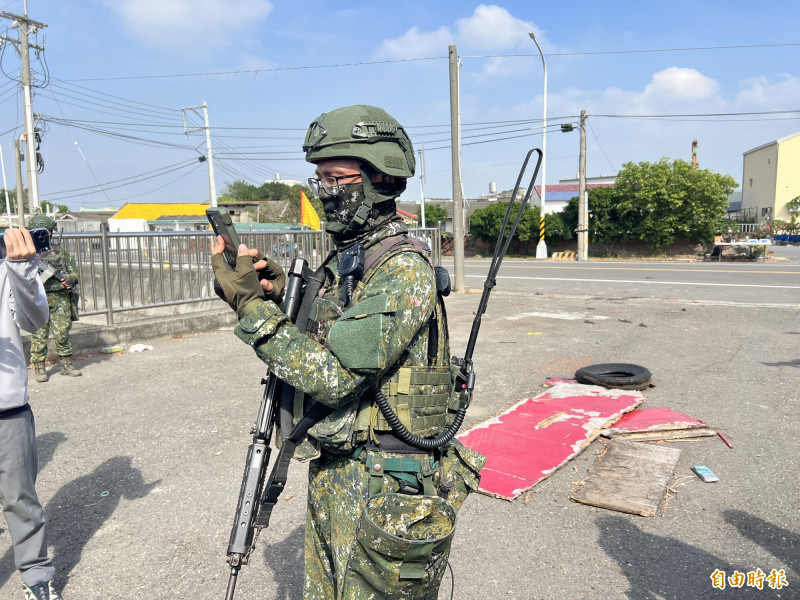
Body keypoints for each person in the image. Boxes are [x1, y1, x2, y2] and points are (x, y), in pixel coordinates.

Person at [212, 104, 485, 599]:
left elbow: (336, 377)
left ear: (380, 178)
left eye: (337, 178)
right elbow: (330, 331)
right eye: (321, 179)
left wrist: (252, 308)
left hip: (384, 485)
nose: (325, 191)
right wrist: (276, 294)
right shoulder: (352, 257)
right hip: (342, 470)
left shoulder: (401, 269)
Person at [0, 227, 65, 600]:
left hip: (8, 407)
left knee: (20, 498)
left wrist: (22, 268)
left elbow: (35, 321)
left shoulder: (9, 262)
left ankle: (35, 574)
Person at [27, 215, 82, 381]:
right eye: (37, 233)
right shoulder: (27, 256)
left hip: (60, 297)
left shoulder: (60, 252)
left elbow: (74, 272)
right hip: (37, 298)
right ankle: (39, 369)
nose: (44, 236)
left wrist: (71, 278)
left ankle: (67, 365)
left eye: (46, 232)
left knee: (62, 333)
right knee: (38, 335)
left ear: (51, 233)